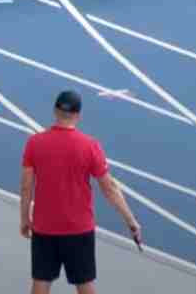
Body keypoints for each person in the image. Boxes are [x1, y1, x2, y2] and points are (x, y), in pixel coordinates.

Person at [20, 90, 141, 294]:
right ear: (78, 115)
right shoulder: (90, 146)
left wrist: (25, 218)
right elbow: (109, 187)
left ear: (55, 111)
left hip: (44, 227)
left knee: (41, 281)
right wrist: (131, 221)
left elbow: (26, 186)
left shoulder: (35, 143)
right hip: (78, 229)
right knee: (84, 284)